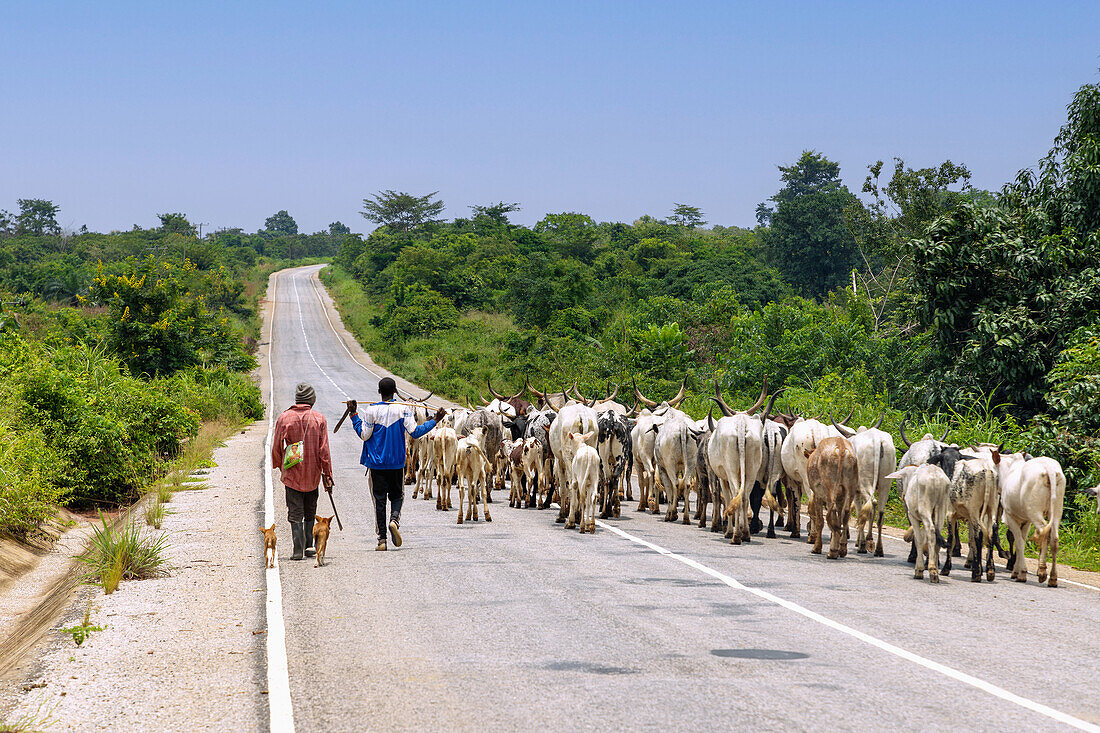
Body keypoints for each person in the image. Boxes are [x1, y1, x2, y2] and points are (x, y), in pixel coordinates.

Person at [350, 377, 445, 551]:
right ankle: (394, 520)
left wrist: (354, 415)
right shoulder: (404, 409)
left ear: (379, 392)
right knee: (397, 496)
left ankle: (381, 540)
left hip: (376, 465)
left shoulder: (371, 410)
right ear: (395, 392)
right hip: (396, 464)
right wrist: (435, 421)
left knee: (379, 501)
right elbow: (415, 432)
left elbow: (364, 435)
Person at [272, 382, 334, 560]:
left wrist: (280, 466)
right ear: (312, 400)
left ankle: (297, 549)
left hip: (292, 474)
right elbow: (324, 451)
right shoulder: (319, 419)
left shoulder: (284, 418)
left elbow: (277, 446)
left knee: (295, 511)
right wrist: (327, 474)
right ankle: (309, 545)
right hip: (313, 474)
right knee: (310, 509)